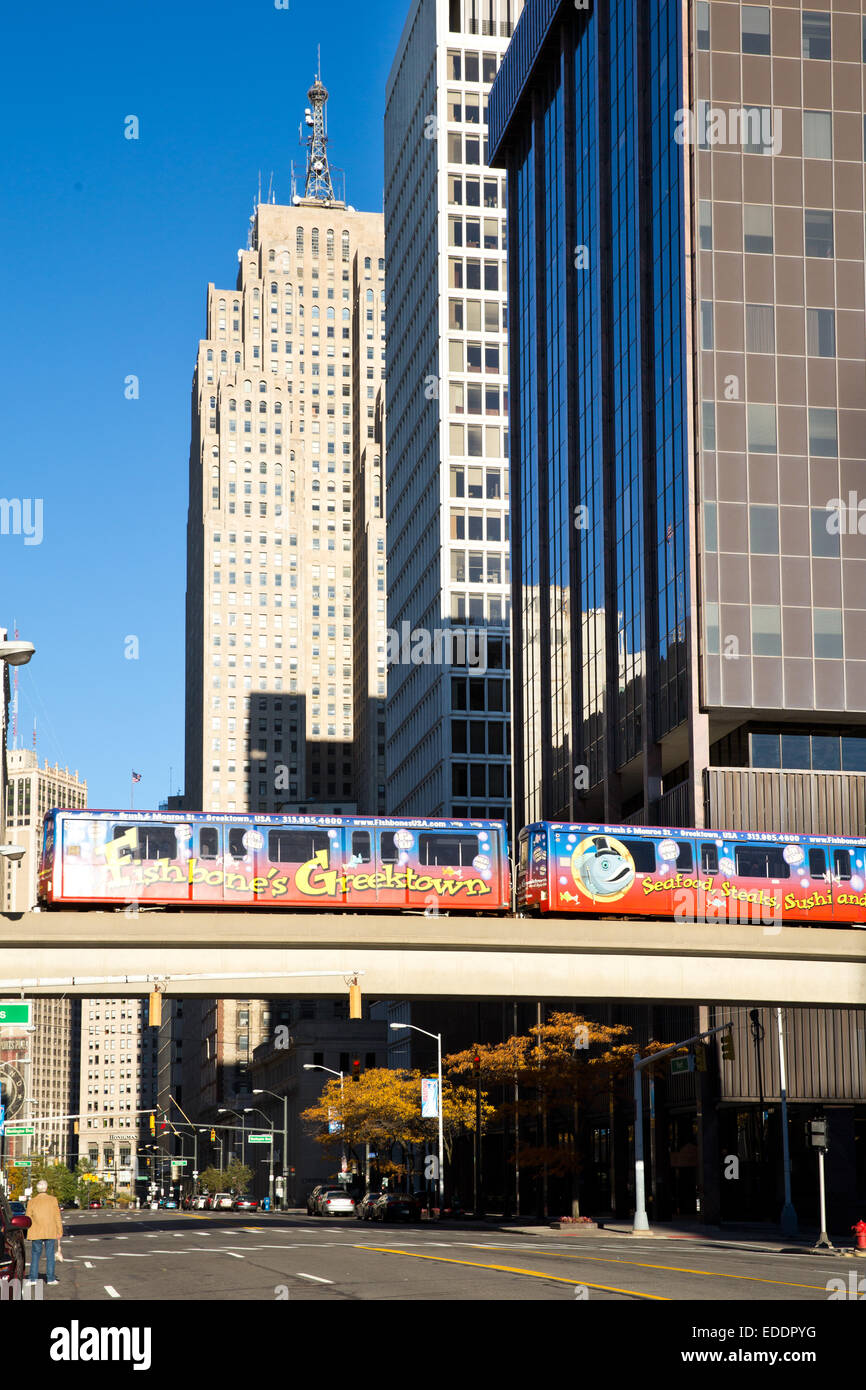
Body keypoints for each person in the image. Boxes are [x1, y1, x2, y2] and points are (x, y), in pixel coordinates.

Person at [26, 1179, 64, 1285]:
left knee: (35, 1255)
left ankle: (33, 1278)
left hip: (36, 1231)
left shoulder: (31, 1201)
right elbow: (57, 1216)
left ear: (37, 1189)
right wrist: (59, 1230)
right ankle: (50, 1278)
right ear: (46, 1188)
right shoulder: (53, 1200)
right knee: (50, 1255)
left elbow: (28, 1218)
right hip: (50, 1230)